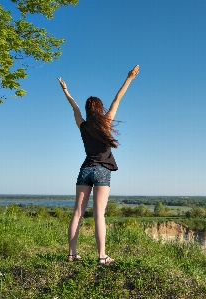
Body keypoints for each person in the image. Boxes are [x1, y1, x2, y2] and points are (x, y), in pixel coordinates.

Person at [57, 65, 139, 264]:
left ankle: (72, 254)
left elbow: (74, 107)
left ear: (87, 109)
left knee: (77, 212)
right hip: (102, 170)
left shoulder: (82, 125)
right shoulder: (106, 122)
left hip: (85, 169)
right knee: (98, 215)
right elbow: (117, 98)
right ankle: (102, 257)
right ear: (100, 109)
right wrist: (129, 78)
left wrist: (66, 91)